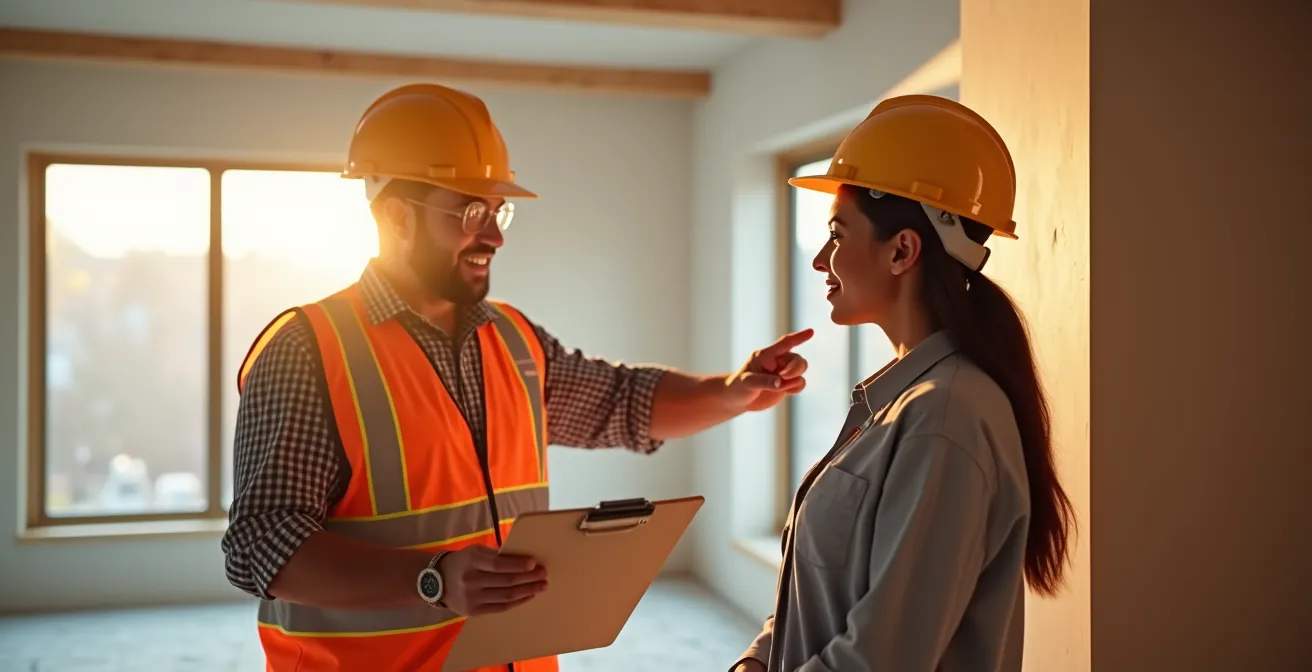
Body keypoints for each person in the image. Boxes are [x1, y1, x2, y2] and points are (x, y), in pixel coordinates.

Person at [221, 82, 813, 672]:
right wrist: (432, 580)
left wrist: (732, 392)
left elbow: (622, 402)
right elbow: (258, 547)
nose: (496, 236)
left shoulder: (511, 339)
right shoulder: (307, 351)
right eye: (472, 212)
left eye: (498, 212)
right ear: (398, 217)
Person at [732, 95, 1076, 672]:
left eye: (838, 235)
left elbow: (882, 658)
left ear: (902, 250)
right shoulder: (903, 403)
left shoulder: (945, 421)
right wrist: (758, 661)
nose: (820, 260)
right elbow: (823, 602)